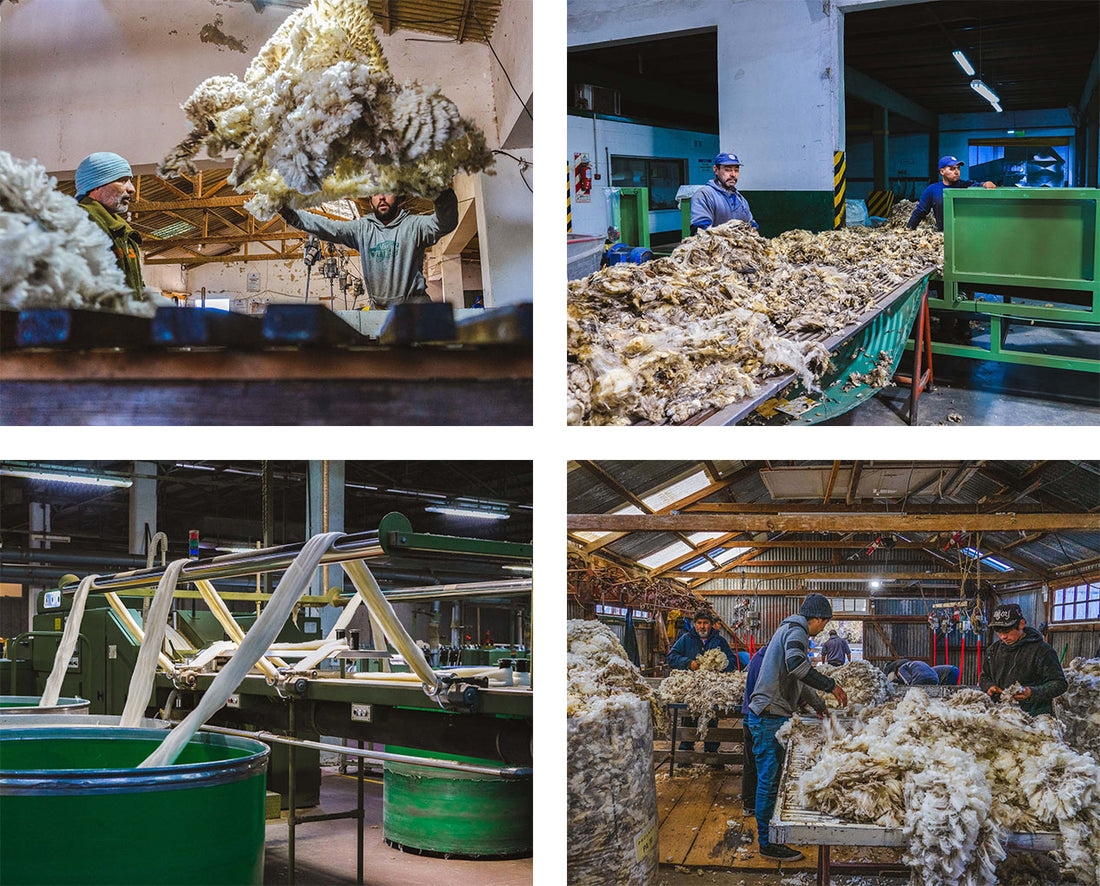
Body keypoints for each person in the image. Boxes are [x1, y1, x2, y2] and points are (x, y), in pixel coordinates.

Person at [747, 594, 848, 861]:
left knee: (772, 778)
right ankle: (768, 844)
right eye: (823, 624)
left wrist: (818, 705)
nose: (822, 630)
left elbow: (798, 678)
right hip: (768, 716)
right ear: (817, 619)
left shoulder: (789, 630)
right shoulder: (797, 631)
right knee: (768, 782)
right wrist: (831, 686)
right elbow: (798, 666)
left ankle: (770, 837)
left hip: (771, 714)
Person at [280, 189, 458, 308]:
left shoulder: (415, 226)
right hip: (379, 311)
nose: (381, 197)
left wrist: (439, 189)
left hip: (415, 310)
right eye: (375, 194)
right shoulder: (362, 229)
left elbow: (445, 223)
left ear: (399, 198)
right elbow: (329, 227)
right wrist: (289, 213)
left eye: (387, 192)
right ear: (371, 201)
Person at [740, 643, 825, 817]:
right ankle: (767, 815)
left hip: (749, 715)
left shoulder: (759, 657)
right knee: (768, 771)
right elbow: (802, 685)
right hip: (764, 719)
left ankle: (749, 804)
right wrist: (818, 705)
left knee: (751, 763)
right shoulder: (780, 662)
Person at [74, 152, 144, 299]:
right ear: (96, 186)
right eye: (123, 181)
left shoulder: (123, 232)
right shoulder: (80, 222)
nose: (132, 189)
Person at [979, 603, 1067, 716]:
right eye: (999, 633)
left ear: (1021, 624)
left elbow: (1060, 684)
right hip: (1000, 714)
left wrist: (1032, 692)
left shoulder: (1042, 651)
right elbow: (984, 676)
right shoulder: (993, 650)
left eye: (1007, 632)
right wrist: (989, 686)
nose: (1002, 637)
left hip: (1034, 718)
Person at [668, 610, 735, 755]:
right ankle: (685, 754)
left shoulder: (720, 641)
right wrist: (688, 663)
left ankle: (711, 754)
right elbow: (672, 657)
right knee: (688, 719)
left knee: (711, 719)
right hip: (691, 688)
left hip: (712, 688)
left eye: (705, 623)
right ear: (695, 625)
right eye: (699, 623)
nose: (702, 626)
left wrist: (721, 666)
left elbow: (732, 661)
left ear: (711, 625)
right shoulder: (686, 639)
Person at [906, 156, 995, 231]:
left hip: (966, 233)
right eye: (952, 169)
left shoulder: (965, 186)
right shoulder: (933, 190)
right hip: (944, 235)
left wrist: (985, 184)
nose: (956, 172)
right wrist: (908, 230)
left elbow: (977, 185)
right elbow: (919, 212)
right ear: (942, 171)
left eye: (958, 168)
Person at [690, 152, 758, 236]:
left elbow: (752, 226)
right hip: (714, 247)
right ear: (715, 170)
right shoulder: (704, 195)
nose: (733, 174)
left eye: (736, 170)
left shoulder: (740, 199)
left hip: (738, 248)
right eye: (728, 170)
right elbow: (701, 230)